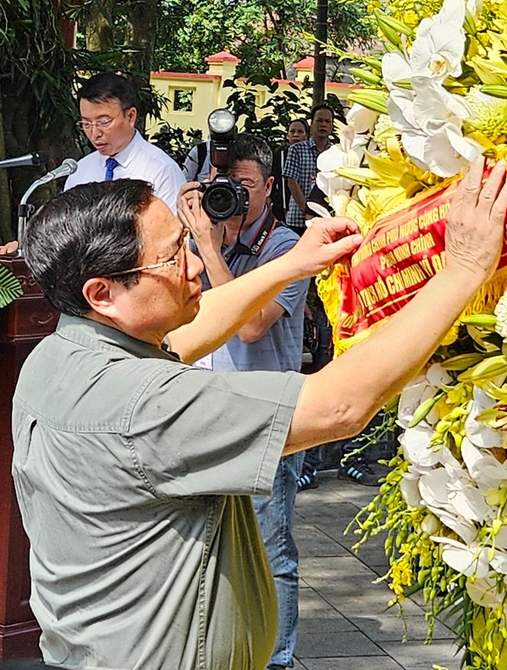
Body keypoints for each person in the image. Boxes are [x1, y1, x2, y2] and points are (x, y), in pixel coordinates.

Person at [13, 158, 507, 670]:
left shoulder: (59, 358)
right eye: (170, 258)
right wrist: (464, 270)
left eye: (186, 244)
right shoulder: (145, 403)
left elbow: (190, 331)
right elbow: (339, 406)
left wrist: (294, 264)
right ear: (103, 293)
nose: (193, 266)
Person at [176, 135, 308, 670]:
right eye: (219, 185)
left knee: (270, 548)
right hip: (203, 409)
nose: (230, 194)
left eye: (244, 186)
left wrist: (211, 246)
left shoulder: (287, 248)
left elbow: (250, 325)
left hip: (265, 415)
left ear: (269, 188)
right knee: (207, 544)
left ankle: (277, 659)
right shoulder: (200, 240)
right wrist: (188, 234)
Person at [62, 72, 185, 209]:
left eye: (104, 122)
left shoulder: (162, 171)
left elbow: (173, 228)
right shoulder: (80, 171)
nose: (95, 133)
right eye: (86, 124)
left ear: (130, 116)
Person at [278, 107, 334, 234]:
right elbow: (291, 182)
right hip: (297, 219)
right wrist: (308, 211)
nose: (323, 125)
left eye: (327, 121)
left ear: (331, 125)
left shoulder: (335, 152)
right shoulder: (297, 149)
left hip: (325, 219)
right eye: (319, 120)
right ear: (312, 123)